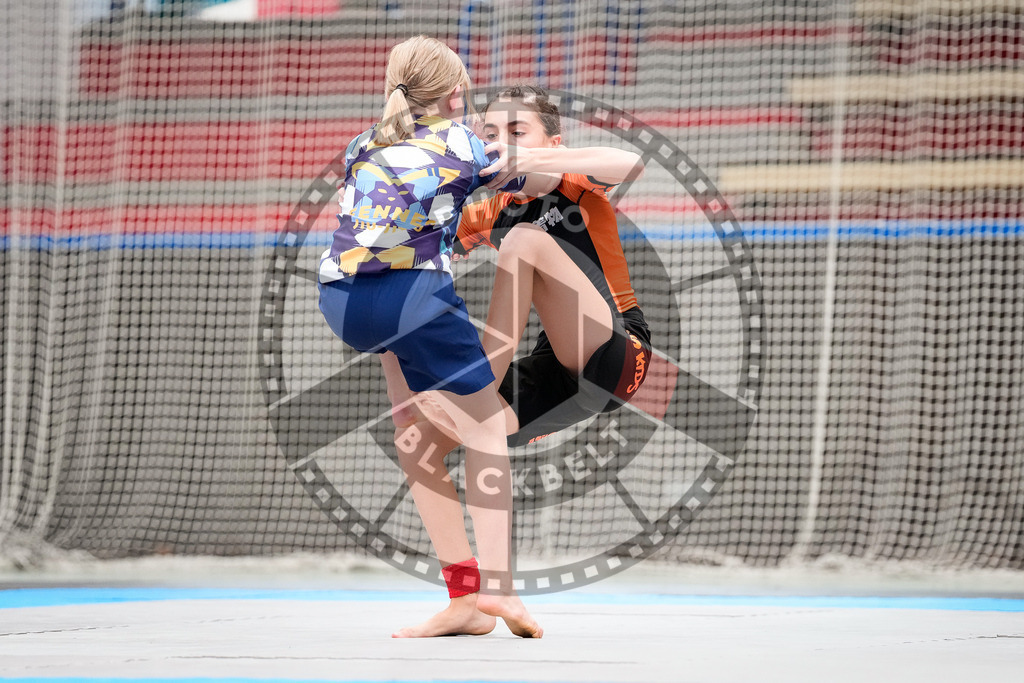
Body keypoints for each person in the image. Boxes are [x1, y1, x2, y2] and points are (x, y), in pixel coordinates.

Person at [316, 36, 541, 639]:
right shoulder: (464, 143)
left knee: (413, 437)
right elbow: (527, 178)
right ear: (455, 94)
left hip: (340, 303)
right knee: (487, 430)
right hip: (410, 298)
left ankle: (463, 601)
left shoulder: (362, 143)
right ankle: (499, 587)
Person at [395, 84, 651, 452]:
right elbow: (409, 243)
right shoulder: (490, 214)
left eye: (517, 132)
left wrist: (535, 160)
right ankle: (478, 410)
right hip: (561, 371)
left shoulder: (575, 182)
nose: (501, 144)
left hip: (620, 350)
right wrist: (368, 202)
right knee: (438, 422)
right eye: (491, 135)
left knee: (523, 239)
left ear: (552, 144)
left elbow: (632, 164)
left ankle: (481, 390)